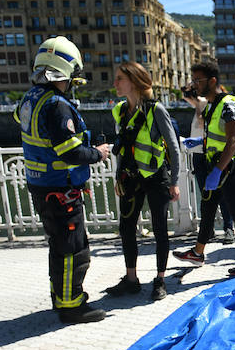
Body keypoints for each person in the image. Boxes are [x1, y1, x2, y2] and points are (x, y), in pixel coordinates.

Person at [14, 36, 111, 324]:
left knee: (58, 245)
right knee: (73, 247)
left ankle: (61, 297)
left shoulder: (30, 99)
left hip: (42, 185)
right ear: (65, 72)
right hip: (60, 188)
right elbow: (70, 151)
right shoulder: (57, 106)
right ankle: (72, 305)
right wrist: (98, 153)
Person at [172, 60, 235, 276]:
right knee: (208, 210)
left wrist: (218, 170)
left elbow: (232, 141)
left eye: (198, 81)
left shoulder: (228, 104)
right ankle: (197, 253)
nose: (194, 85)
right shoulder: (212, 105)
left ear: (212, 81)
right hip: (216, 165)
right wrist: (198, 143)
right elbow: (215, 138)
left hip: (229, 166)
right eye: (193, 80)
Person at [103, 62, 181, 301]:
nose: (115, 83)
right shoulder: (120, 111)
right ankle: (131, 279)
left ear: (135, 82)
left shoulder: (156, 110)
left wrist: (174, 181)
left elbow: (174, 148)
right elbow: (121, 148)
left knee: (160, 229)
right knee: (126, 228)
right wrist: (118, 176)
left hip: (156, 178)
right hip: (129, 177)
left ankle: (160, 280)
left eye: (119, 79)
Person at [182, 91, 235, 245]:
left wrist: (199, 104)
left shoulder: (209, 104)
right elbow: (188, 97)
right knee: (205, 194)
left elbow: (201, 121)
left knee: (222, 194)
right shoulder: (202, 103)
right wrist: (191, 99)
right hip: (198, 153)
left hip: (211, 154)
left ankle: (228, 228)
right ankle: (208, 230)